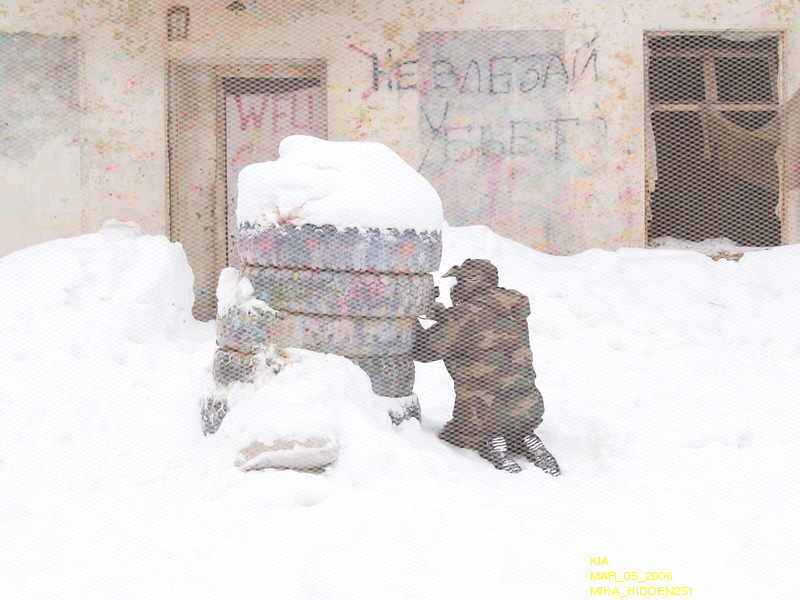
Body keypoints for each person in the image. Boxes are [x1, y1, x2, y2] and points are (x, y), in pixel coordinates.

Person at [412, 258, 560, 476]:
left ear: (472, 282)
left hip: (482, 413)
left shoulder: (463, 316)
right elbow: (483, 334)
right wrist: (446, 318)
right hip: (528, 409)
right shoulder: (512, 307)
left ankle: (492, 442)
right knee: (513, 422)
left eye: (459, 282)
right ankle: (524, 437)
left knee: (454, 435)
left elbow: (423, 351)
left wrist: (409, 316)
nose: (455, 288)